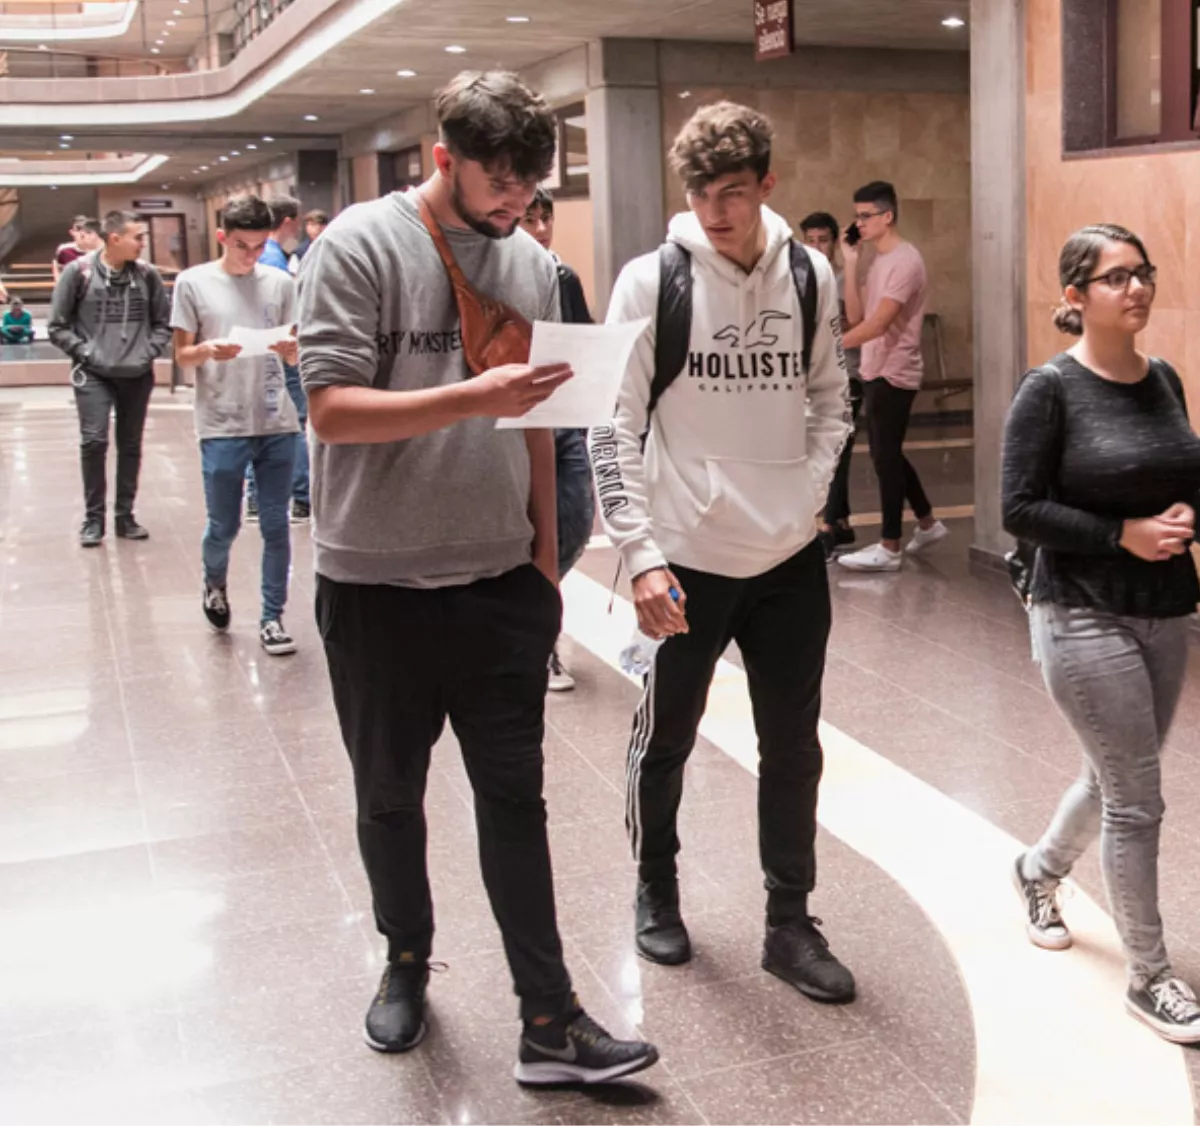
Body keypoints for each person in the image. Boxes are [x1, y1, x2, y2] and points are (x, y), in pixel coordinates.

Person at [296, 69, 658, 1083]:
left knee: (515, 803)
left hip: (499, 584)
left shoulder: (532, 264)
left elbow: (544, 423)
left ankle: (549, 1017)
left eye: (528, 190)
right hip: (375, 586)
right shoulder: (358, 246)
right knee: (389, 797)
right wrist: (469, 394)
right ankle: (405, 962)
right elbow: (329, 409)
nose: (513, 207)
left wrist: (544, 574)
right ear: (442, 158)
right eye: (498, 185)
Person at [593, 101, 855, 1004]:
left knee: (794, 747)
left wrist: (805, 497)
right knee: (664, 738)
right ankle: (655, 889)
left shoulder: (811, 275)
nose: (714, 211)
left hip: (788, 559)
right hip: (685, 557)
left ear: (767, 185)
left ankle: (790, 921)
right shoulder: (648, 282)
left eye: (733, 193)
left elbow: (832, 399)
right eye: (700, 193)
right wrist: (640, 554)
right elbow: (611, 425)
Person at [1002, 224, 1200, 1045]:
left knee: (1114, 775)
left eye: (1143, 274)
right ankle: (1153, 977)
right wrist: (1119, 532)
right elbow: (1016, 509)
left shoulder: (1162, 377)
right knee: (1137, 798)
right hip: (1079, 607)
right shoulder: (1049, 389)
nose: (1136, 289)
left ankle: (1037, 869)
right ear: (1075, 296)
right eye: (1115, 277)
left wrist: (1181, 513)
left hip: (1164, 605)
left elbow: (1181, 470)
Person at [171, 195, 304, 656]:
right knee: (223, 525)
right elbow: (182, 355)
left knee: (275, 524)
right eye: (242, 246)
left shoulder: (282, 282)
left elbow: (295, 343)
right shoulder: (192, 283)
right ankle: (215, 581)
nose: (251, 256)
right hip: (222, 421)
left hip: (276, 418)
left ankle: (273, 616)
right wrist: (208, 350)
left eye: (259, 246)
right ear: (223, 237)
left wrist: (291, 352)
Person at [834, 180, 947, 572]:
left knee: (884, 456)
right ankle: (928, 523)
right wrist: (850, 262)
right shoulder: (878, 261)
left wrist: (829, 350)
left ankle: (890, 545)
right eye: (856, 216)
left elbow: (879, 325)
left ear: (888, 216)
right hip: (873, 366)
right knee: (888, 452)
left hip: (894, 370)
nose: (859, 224)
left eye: (865, 216)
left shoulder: (905, 261)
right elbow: (857, 316)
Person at [49, 210, 170, 548]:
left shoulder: (147, 275)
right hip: (93, 373)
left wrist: (148, 352)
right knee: (94, 441)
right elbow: (57, 326)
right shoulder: (79, 272)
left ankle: (125, 516)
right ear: (114, 239)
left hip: (137, 373)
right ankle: (93, 519)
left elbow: (163, 322)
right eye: (138, 237)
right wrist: (85, 353)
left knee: (130, 445)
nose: (143, 244)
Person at [521, 187, 595, 692]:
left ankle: (534, 620)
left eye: (546, 217)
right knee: (525, 532)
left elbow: (584, 339)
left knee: (574, 523)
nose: (542, 228)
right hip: (514, 419)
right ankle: (539, 640)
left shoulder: (562, 275)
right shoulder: (496, 273)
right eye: (531, 218)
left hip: (565, 418)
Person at [798, 210, 865, 559]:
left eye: (823, 239)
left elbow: (855, 319)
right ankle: (837, 520)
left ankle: (828, 523)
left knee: (837, 450)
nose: (817, 247)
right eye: (810, 240)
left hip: (847, 373)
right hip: (812, 379)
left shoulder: (840, 279)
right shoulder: (800, 280)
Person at [248, 195, 311, 521]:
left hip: (259, 348)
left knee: (261, 420)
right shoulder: (274, 262)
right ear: (287, 220)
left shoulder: (265, 258)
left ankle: (256, 497)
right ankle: (301, 497)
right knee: (294, 421)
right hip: (278, 348)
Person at [52, 216, 101, 282]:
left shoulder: (99, 250)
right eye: (78, 230)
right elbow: (57, 268)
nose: (82, 233)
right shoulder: (64, 249)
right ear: (71, 232)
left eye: (85, 229)